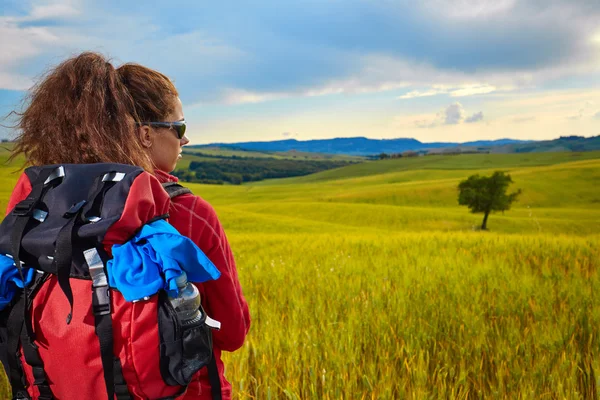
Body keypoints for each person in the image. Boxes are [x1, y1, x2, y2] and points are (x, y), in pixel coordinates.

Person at [5, 52, 250, 399]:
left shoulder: (46, 210)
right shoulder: (187, 212)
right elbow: (232, 333)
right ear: (146, 134)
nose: (185, 139)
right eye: (179, 127)